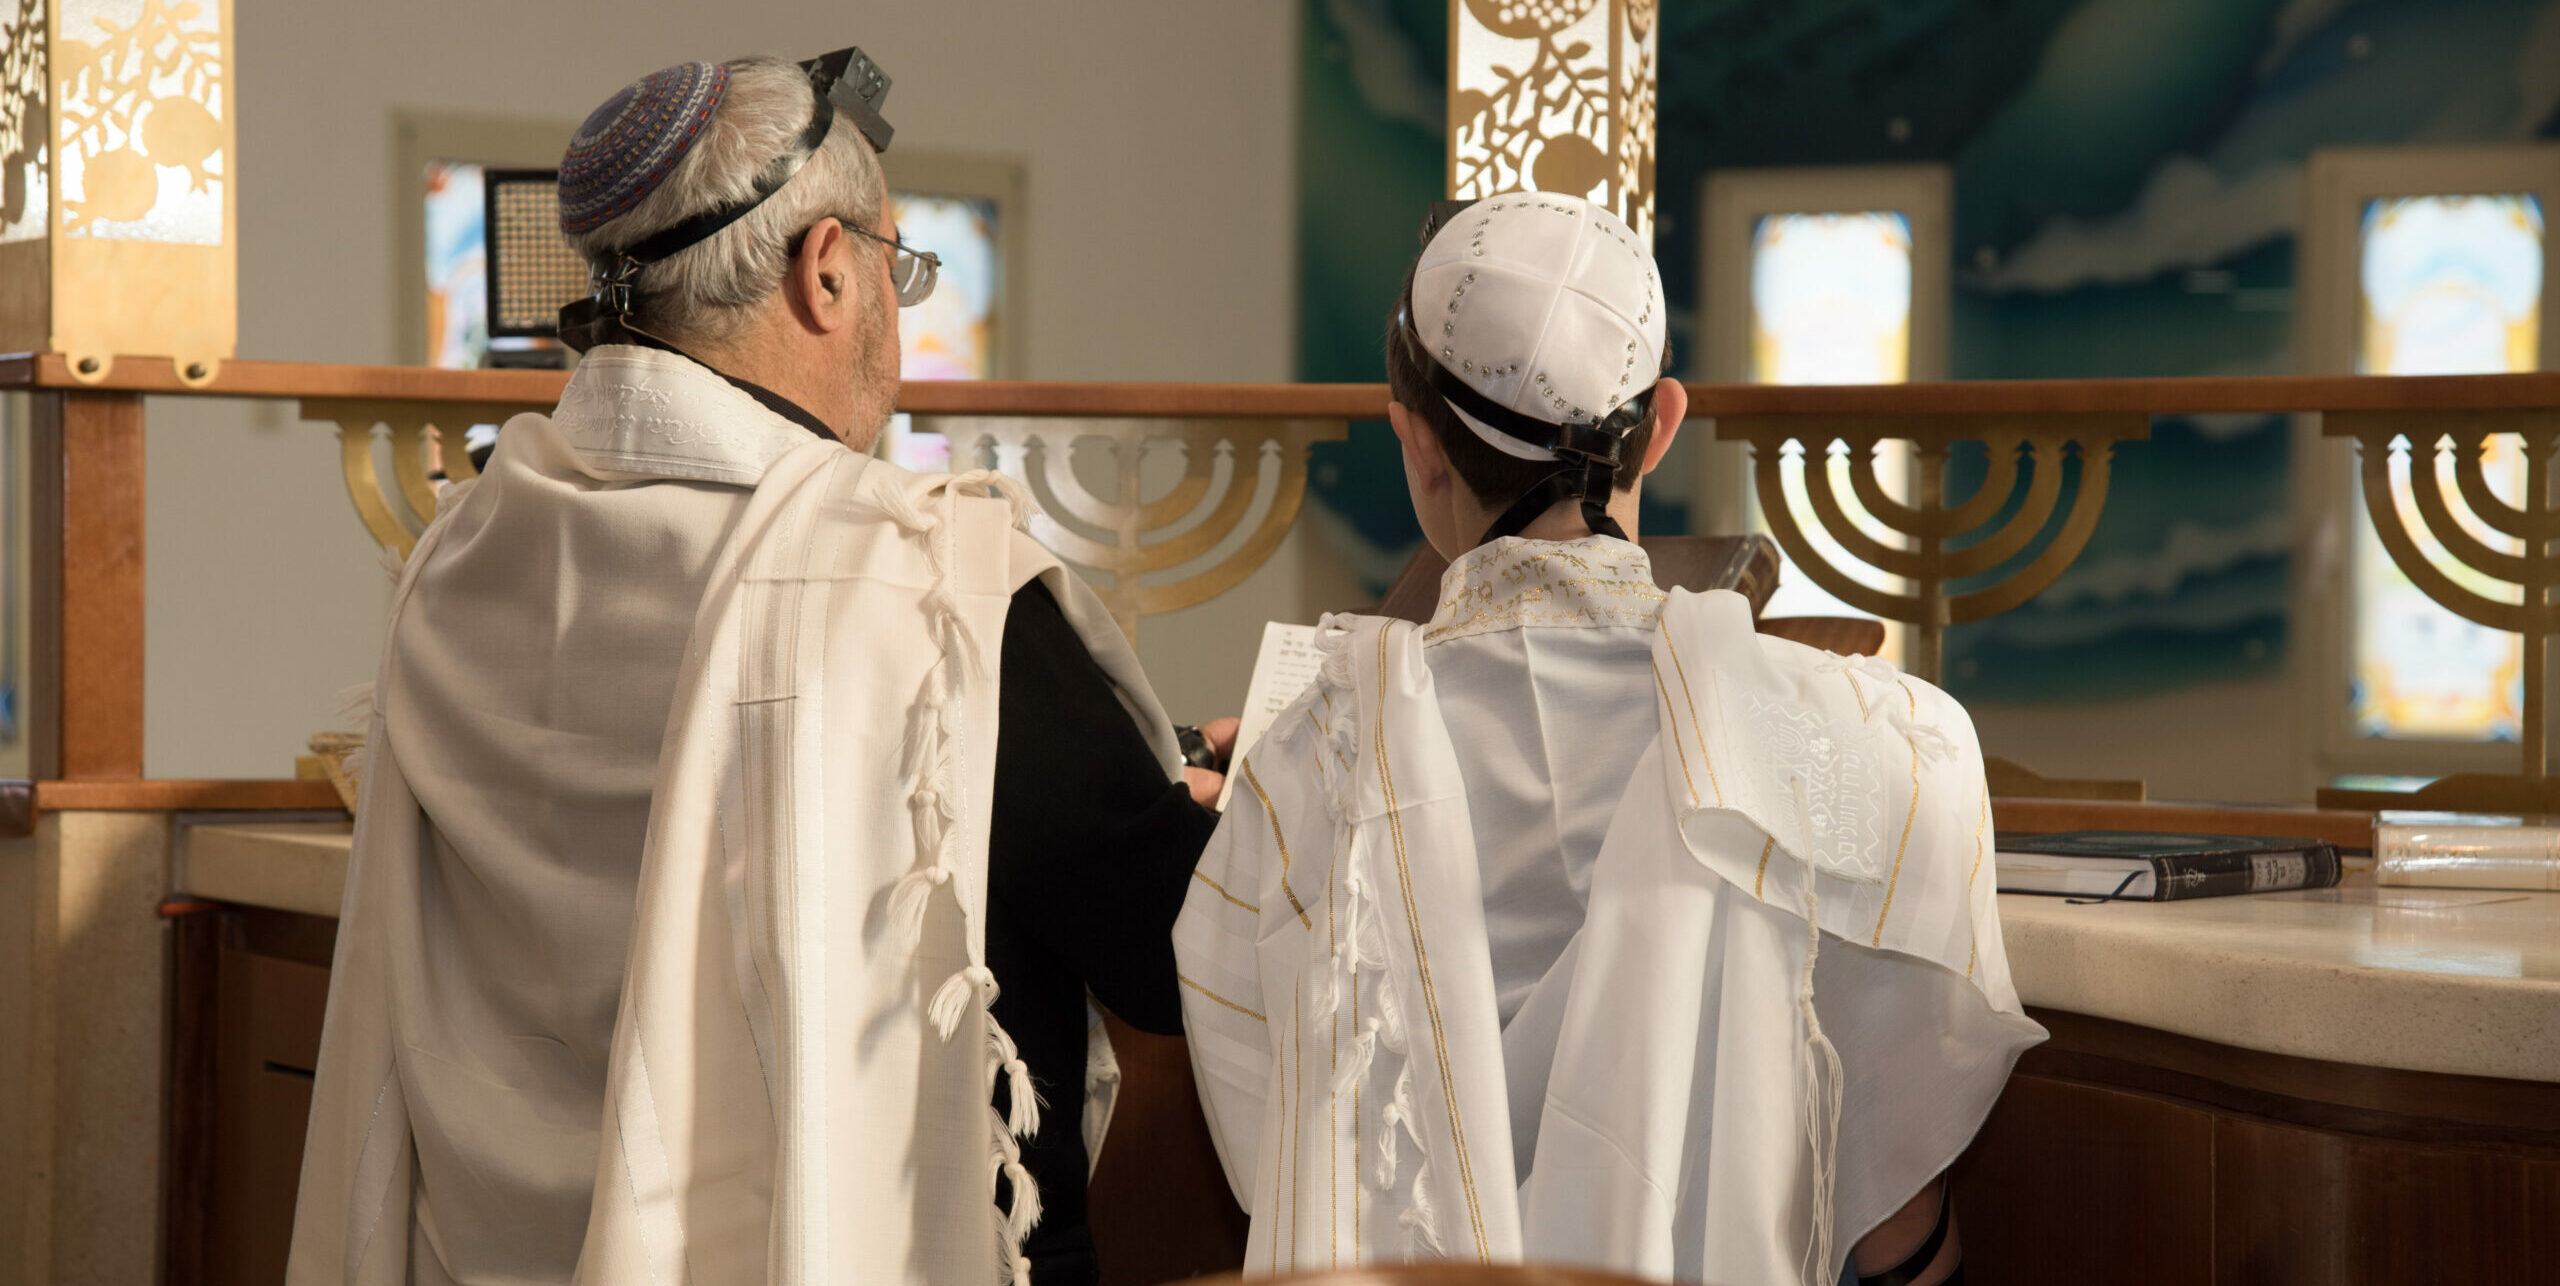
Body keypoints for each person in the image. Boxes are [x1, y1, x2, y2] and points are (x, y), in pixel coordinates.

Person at [289, 51, 1224, 1286]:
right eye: (904, 267)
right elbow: (1181, 954)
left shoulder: (460, 552)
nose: (899, 305)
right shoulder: (916, 580)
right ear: (827, 268)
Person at [1172, 193, 2045, 1286]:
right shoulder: (1880, 745)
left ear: (1417, 440)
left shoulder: (1302, 771)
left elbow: (1286, 1174)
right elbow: (1894, 1232)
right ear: (1664, 420)